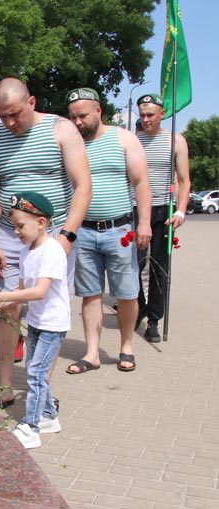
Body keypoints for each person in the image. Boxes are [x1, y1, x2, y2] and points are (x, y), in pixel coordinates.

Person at [0, 77, 91, 407]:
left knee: (48, 312)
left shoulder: (62, 129)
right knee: (6, 306)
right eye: (2, 115)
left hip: (53, 237)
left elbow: (83, 186)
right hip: (8, 236)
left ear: (32, 102)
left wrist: (67, 236)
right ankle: (4, 386)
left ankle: (40, 390)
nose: (10, 123)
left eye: (15, 114)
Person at [65, 87, 152, 374]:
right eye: (73, 117)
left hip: (119, 230)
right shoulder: (71, 143)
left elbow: (141, 183)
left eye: (82, 116)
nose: (77, 122)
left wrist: (143, 223)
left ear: (99, 111)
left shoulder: (123, 139)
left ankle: (126, 347)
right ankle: (92, 354)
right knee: (90, 294)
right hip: (84, 231)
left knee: (127, 293)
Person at [0, 192, 69, 449]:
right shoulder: (26, 251)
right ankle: (50, 416)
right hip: (38, 322)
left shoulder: (51, 250)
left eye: (21, 226)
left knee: (36, 372)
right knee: (35, 368)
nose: (16, 232)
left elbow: (39, 291)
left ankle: (31, 427)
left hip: (53, 324)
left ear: (41, 223)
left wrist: (3, 294)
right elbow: (20, 292)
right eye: (15, 226)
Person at [135, 93, 191, 343]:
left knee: (159, 266)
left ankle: (154, 319)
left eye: (150, 114)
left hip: (163, 209)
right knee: (131, 265)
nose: (146, 119)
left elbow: (184, 180)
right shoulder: (133, 139)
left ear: (162, 114)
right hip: (134, 208)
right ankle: (139, 306)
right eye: (142, 114)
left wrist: (180, 209)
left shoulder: (175, 140)